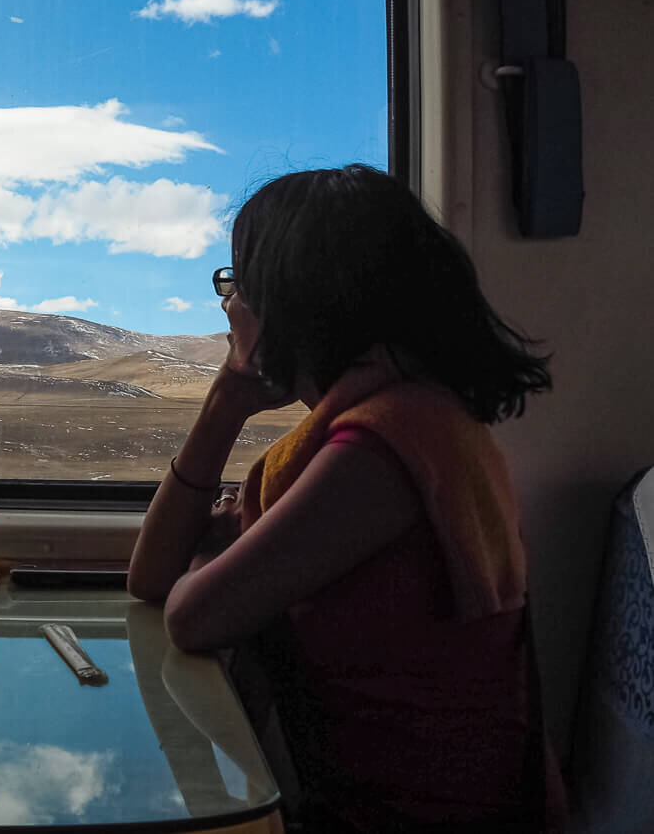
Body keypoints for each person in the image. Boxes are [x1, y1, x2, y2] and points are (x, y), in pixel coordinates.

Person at [127, 165, 563, 833]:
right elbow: (150, 577)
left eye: (238, 281)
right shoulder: (396, 421)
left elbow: (190, 616)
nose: (227, 303)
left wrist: (217, 552)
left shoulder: (383, 450)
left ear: (292, 298)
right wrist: (226, 400)